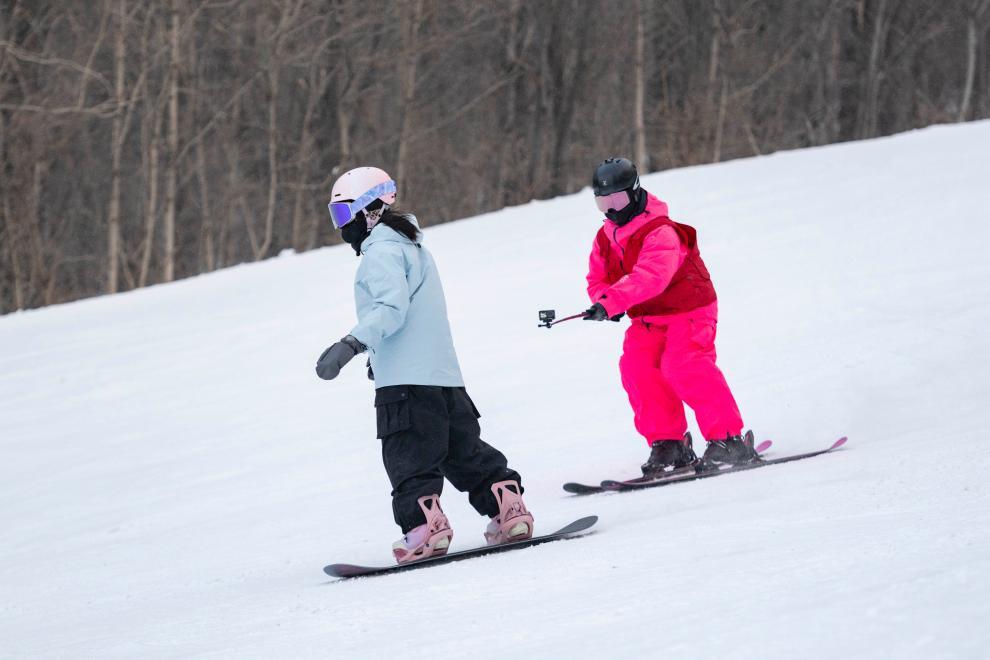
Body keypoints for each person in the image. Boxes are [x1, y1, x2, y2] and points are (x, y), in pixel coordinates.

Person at [316, 166, 533, 564]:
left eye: (344, 216)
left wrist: (352, 343)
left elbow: (390, 308)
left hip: (405, 387)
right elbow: (414, 314)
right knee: (463, 451)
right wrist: (381, 357)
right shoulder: (413, 247)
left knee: (409, 459)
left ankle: (423, 529)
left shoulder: (380, 252)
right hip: (445, 379)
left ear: (371, 211)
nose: (341, 228)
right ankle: (507, 507)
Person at [583, 157, 758, 475]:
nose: (611, 208)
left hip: (689, 310)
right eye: (602, 201)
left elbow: (652, 276)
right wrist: (602, 302)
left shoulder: (660, 231)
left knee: (683, 365)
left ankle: (728, 439)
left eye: (618, 199)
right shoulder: (604, 238)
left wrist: (613, 301)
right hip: (648, 318)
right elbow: (597, 279)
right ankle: (669, 443)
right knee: (637, 368)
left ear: (635, 193)